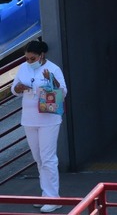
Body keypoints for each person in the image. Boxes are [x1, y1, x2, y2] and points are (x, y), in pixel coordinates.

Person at [12, 40, 67, 213]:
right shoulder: (23, 68)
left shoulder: (53, 68)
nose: (29, 61)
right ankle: (45, 194)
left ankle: (53, 198)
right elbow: (14, 88)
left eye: (32, 58)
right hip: (29, 119)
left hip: (48, 119)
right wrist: (19, 88)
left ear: (41, 55)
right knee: (39, 158)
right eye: (27, 58)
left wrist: (51, 82)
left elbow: (63, 92)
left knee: (48, 158)